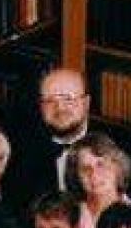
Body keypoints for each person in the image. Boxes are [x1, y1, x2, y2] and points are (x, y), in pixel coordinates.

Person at [9, 68, 91, 206]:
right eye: (49, 101)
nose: (60, 108)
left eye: (68, 99)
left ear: (86, 103)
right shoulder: (19, 152)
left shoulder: (121, 147)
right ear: (41, 106)